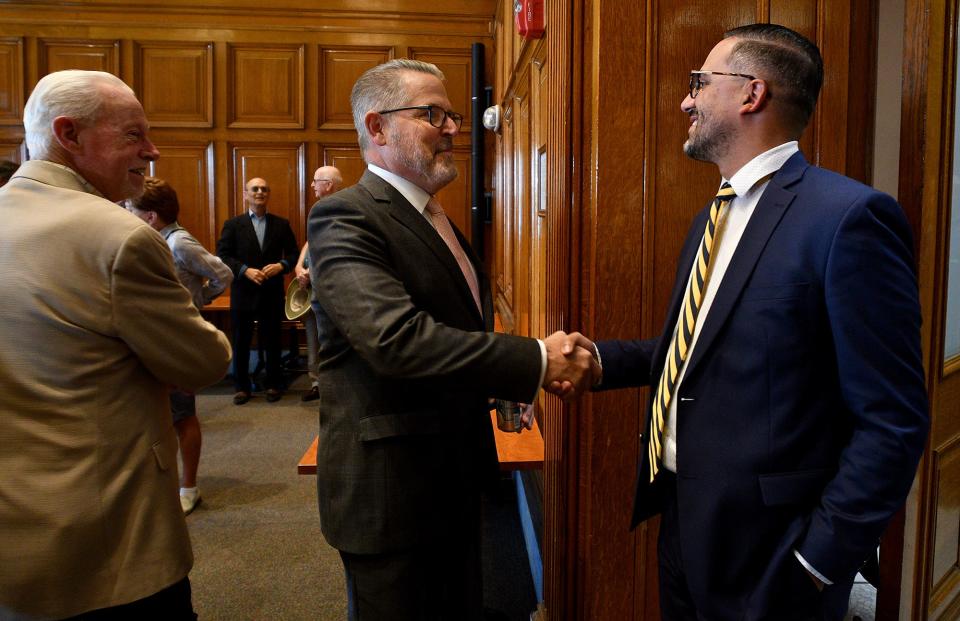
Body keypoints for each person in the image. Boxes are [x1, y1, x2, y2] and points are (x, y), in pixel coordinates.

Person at [568, 24, 929, 620]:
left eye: (698, 84)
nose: (686, 101)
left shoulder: (849, 218)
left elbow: (893, 419)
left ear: (751, 93)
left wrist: (818, 561)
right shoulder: (714, 213)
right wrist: (601, 361)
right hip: (684, 520)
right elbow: (706, 345)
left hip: (775, 553)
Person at [307, 58, 597, 620]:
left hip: (453, 480)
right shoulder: (346, 216)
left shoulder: (433, 216)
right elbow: (397, 340)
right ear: (377, 127)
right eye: (432, 114)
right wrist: (536, 359)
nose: (452, 130)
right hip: (393, 496)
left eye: (453, 116)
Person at [0, 70, 232, 620]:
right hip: (108, 546)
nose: (151, 152)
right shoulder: (120, 236)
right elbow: (204, 361)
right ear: (68, 134)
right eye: (133, 135)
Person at [126, 177, 234, 515]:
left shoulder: (179, 243)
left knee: (183, 416)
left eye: (132, 209)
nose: (127, 213)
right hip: (154, 339)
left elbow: (223, 274)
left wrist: (196, 302)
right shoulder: (152, 241)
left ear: (151, 217)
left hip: (176, 342)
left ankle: (189, 487)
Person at [217, 176, 299, 405]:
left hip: (271, 291)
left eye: (264, 189)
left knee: (273, 339)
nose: (259, 192)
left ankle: (274, 383)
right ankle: (242, 386)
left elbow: (293, 255)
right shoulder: (233, 225)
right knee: (241, 340)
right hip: (243, 291)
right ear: (246, 194)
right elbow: (222, 255)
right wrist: (244, 270)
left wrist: (281, 266)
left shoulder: (281, 224)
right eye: (254, 189)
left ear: (268, 194)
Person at [296, 165, 343, 402]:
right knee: (313, 336)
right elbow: (311, 241)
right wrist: (299, 266)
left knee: (331, 338)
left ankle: (333, 386)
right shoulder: (319, 208)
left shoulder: (341, 208)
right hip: (312, 288)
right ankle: (316, 383)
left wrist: (312, 272)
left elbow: (333, 248)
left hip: (330, 290)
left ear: (329, 184)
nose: (313, 185)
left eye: (316, 181)